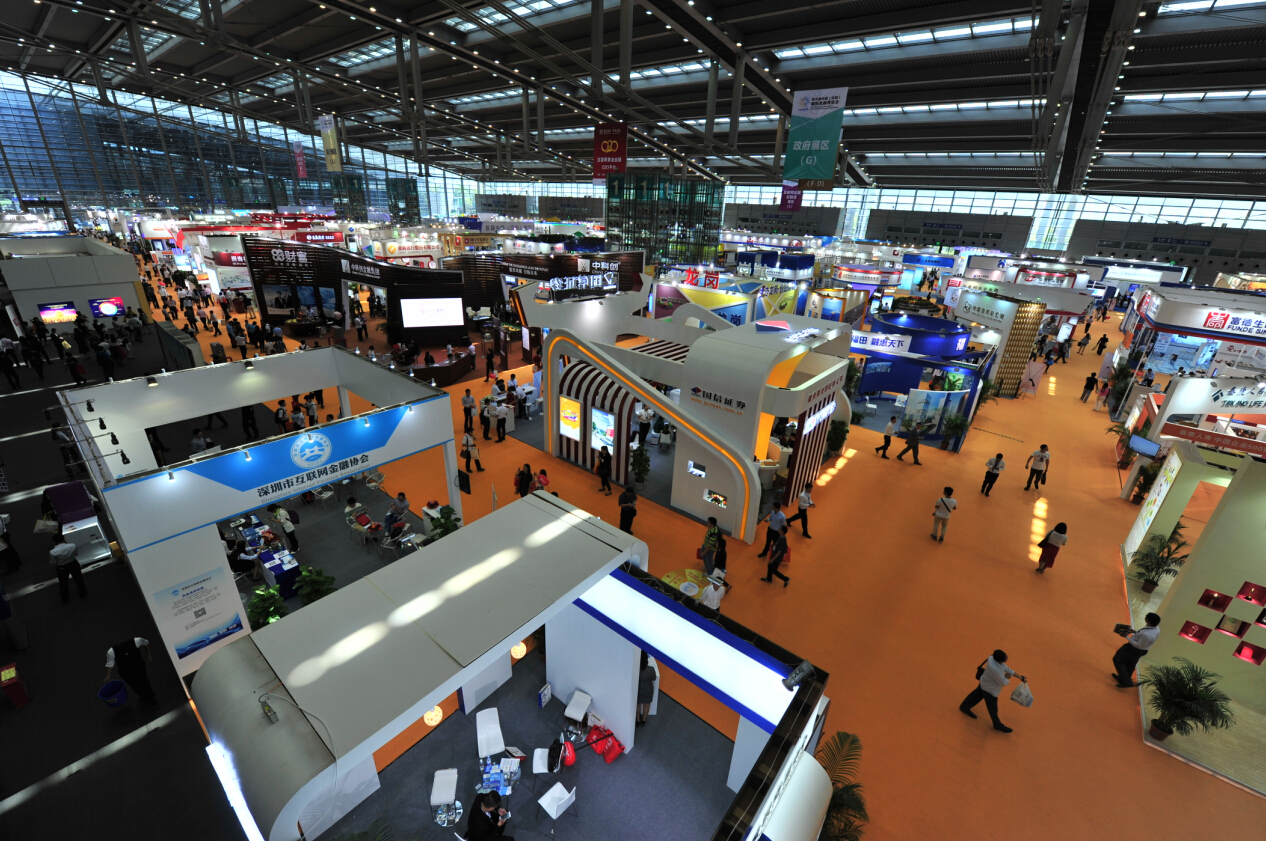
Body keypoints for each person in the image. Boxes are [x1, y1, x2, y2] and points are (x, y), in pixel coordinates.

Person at [960, 649, 1025, 733]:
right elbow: (1003, 682)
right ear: (999, 661)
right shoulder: (995, 669)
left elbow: (1006, 668)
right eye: (1005, 660)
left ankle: (964, 707)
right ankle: (997, 725)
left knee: (975, 696)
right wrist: (1007, 677)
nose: (1006, 660)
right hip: (989, 690)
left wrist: (1020, 677)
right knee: (993, 709)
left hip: (984, 683)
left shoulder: (991, 658)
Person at [103, 637, 157, 707]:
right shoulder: (111, 652)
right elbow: (110, 664)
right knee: (135, 686)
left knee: (144, 683)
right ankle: (143, 696)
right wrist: (108, 676)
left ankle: (151, 700)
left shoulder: (137, 640)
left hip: (139, 667)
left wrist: (149, 654)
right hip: (126, 672)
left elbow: (146, 643)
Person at [1113, 612, 1162, 688]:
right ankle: (1123, 678)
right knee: (1130, 663)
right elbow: (1142, 635)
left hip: (1135, 649)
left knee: (1118, 659)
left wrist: (1126, 636)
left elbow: (1139, 646)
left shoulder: (1147, 635)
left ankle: (1126, 681)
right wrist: (1135, 631)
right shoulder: (1156, 629)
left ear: (1148, 621)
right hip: (1140, 650)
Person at [49, 533, 88, 602]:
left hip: (62, 568)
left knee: (63, 583)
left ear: (54, 542)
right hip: (73, 564)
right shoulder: (72, 545)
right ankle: (83, 593)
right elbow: (76, 554)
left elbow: (53, 562)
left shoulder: (52, 552)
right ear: (63, 539)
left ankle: (65, 599)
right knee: (79, 580)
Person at [637, 651, 656, 727]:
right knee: (646, 705)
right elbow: (654, 678)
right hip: (648, 689)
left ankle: (637, 720)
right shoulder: (651, 669)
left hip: (638, 689)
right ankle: (644, 719)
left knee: (637, 705)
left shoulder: (636, 670)